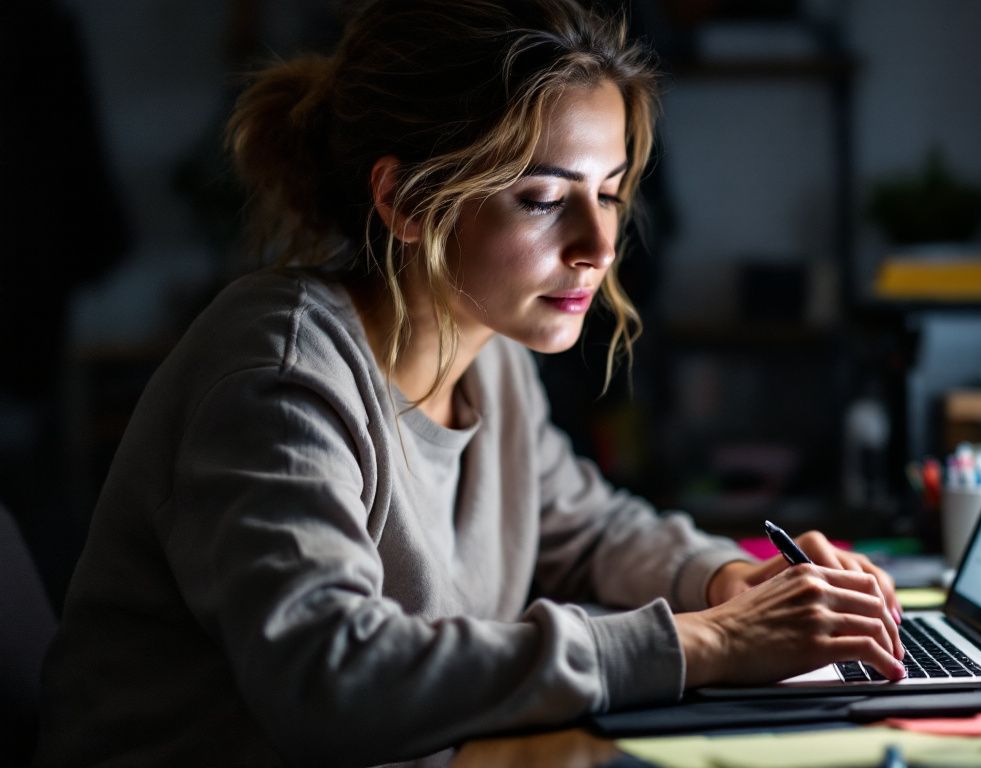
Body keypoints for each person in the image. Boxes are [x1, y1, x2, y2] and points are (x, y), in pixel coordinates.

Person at [35, 1, 905, 765]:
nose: (599, 247)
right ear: (407, 201)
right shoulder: (282, 373)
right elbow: (331, 680)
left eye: (608, 194)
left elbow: (588, 531)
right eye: (543, 199)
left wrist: (728, 583)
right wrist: (702, 643)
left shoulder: (488, 353)